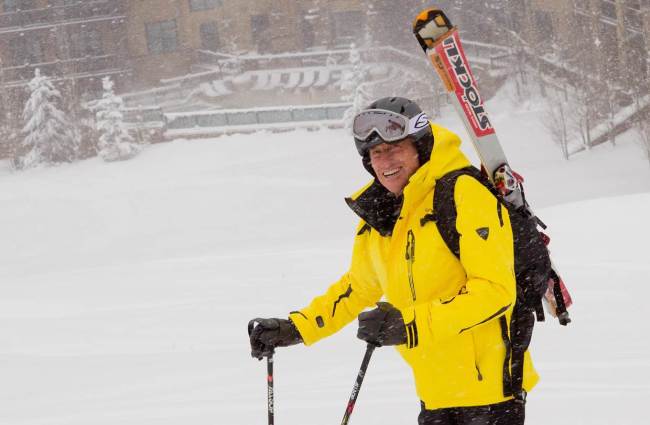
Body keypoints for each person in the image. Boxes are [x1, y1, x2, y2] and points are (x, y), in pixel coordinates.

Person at [248, 97, 538, 425]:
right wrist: (296, 328)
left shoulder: (463, 194)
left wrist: (409, 325)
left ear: (420, 147)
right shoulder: (384, 218)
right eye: (376, 153)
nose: (385, 160)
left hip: (493, 397)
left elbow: (494, 292)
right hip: (436, 394)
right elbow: (357, 287)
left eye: (395, 147)